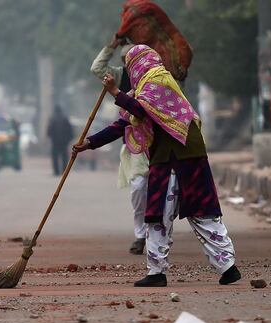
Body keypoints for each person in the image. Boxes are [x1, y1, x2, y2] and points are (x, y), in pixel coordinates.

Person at [74, 45, 241, 288]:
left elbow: (140, 110)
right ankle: (157, 271)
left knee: (200, 213)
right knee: (158, 216)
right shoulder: (141, 90)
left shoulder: (159, 82)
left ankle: (227, 267)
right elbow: (123, 124)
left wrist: (114, 92)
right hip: (168, 157)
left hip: (183, 155)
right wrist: (89, 143)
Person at [91, 34, 148, 255]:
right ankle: (140, 235)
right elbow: (97, 68)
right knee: (138, 187)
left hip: (159, 142)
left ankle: (159, 236)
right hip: (134, 141)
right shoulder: (119, 76)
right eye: (126, 59)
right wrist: (112, 46)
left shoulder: (153, 76)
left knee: (166, 192)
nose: (129, 64)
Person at [46, 105, 73, 176]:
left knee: (55, 157)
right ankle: (64, 171)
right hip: (64, 142)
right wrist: (69, 139)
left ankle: (56, 171)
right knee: (64, 157)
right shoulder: (65, 118)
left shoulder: (52, 119)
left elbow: (49, 130)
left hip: (55, 142)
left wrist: (50, 136)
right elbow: (70, 130)